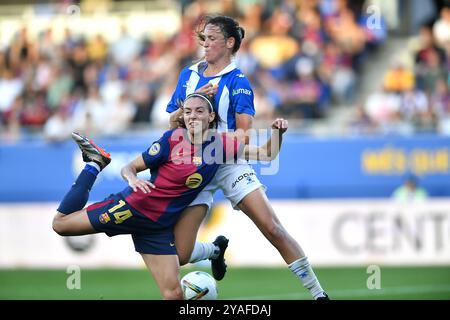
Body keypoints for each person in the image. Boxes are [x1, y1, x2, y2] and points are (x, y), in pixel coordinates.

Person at [52, 92, 288, 300]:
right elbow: (129, 168)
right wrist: (132, 179)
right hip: (132, 208)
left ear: (211, 117)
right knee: (61, 225)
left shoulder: (221, 145)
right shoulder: (171, 140)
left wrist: (278, 133)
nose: (192, 116)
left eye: (199, 111)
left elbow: (266, 155)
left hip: (158, 227)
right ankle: (94, 164)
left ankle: (214, 251)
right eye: (187, 112)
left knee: (174, 294)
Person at [167, 15, 329, 300]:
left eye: (212, 38)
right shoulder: (188, 75)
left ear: (229, 43)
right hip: (194, 163)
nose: (205, 44)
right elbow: (172, 121)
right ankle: (214, 250)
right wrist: (194, 99)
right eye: (203, 38)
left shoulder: (238, 82)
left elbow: (244, 134)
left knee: (273, 228)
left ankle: (319, 294)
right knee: (180, 253)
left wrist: (216, 145)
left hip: (228, 163)